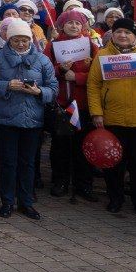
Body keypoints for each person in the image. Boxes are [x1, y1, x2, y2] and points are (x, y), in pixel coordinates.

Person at [87, 19, 136, 216]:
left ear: (135, 35)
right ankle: (115, 198)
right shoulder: (102, 56)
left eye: (127, 32)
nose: (123, 36)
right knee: (114, 163)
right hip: (112, 119)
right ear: (113, 35)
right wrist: (96, 112)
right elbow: (93, 85)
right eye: (119, 32)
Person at [0, 21, 56, 220]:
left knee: (28, 163)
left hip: (33, 119)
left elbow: (53, 87)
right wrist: (7, 85)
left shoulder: (42, 60)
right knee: (7, 162)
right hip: (6, 119)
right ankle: (7, 201)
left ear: (31, 40)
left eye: (24, 40)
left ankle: (26, 202)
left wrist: (39, 91)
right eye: (16, 40)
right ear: (9, 39)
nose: (21, 44)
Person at [45, 10, 98, 201]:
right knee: (61, 146)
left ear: (83, 26)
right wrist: (61, 70)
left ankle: (84, 184)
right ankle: (60, 181)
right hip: (62, 105)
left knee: (83, 146)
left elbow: (97, 73)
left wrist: (77, 77)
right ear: (62, 26)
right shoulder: (53, 46)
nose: (74, 26)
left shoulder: (91, 46)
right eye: (70, 23)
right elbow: (45, 70)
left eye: (78, 23)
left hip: (83, 105)